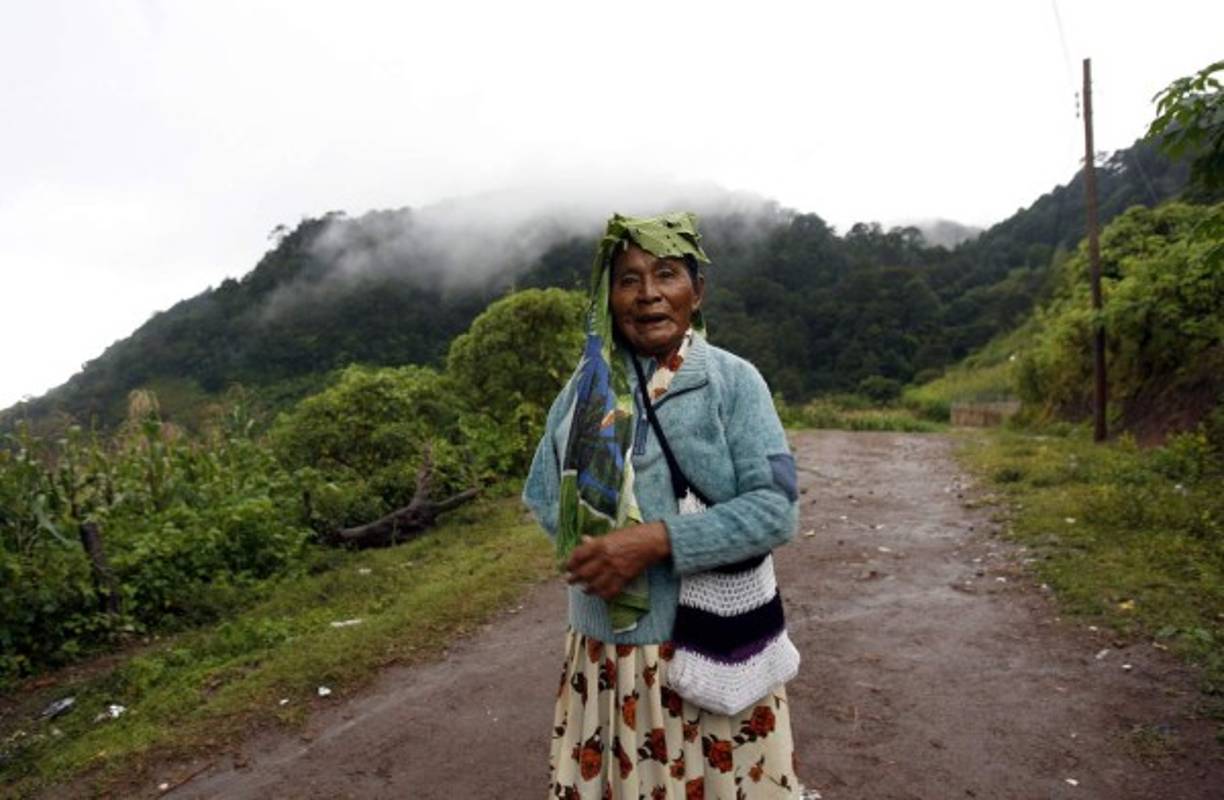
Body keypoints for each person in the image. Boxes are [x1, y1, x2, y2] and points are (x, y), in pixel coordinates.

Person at [523, 211, 803, 799]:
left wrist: (653, 541)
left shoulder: (732, 383)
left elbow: (775, 509)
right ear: (609, 294)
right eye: (628, 279)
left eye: (667, 274)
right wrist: (588, 549)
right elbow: (543, 492)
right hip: (607, 665)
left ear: (696, 293)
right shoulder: (584, 390)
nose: (648, 294)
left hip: (712, 651)